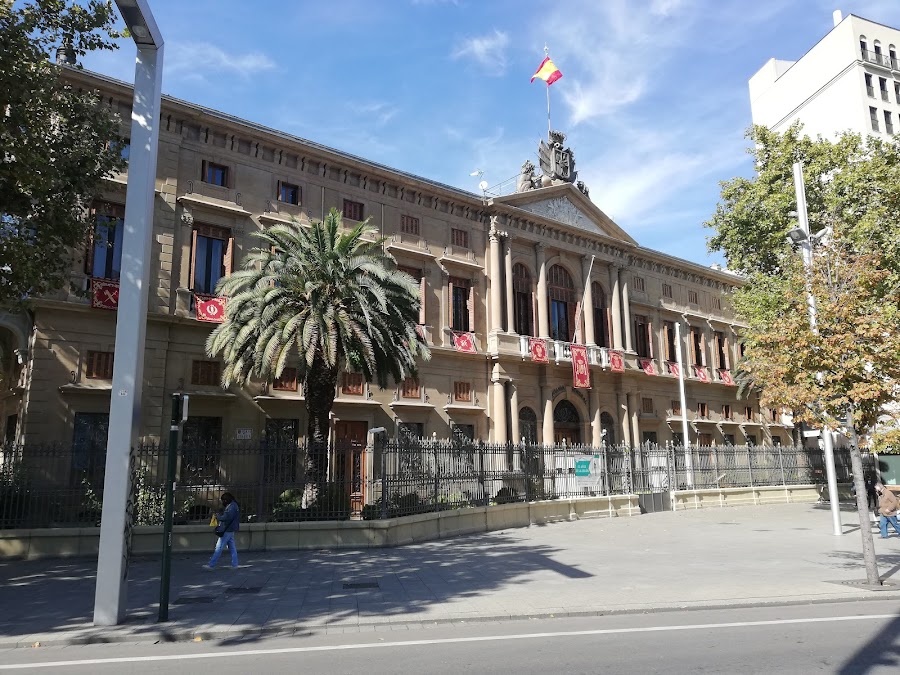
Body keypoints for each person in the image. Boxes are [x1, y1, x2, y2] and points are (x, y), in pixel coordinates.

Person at [204, 492, 240, 569]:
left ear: (226, 500)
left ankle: (211, 564)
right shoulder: (234, 505)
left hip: (227, 529)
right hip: (230, 529)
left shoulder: (231, 507)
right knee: (232, 547)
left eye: (223, 500)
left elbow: (227, 517)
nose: (223, 502)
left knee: (219, 547)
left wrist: (218, 517)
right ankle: (235, 564)